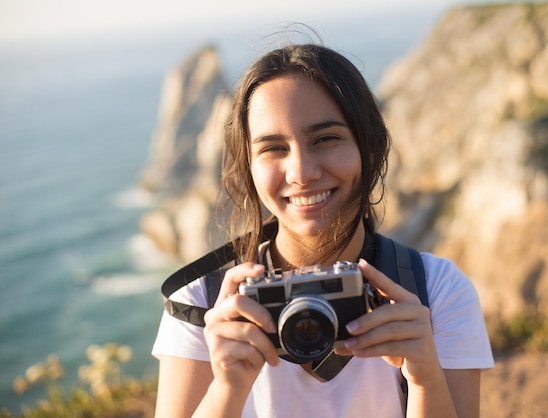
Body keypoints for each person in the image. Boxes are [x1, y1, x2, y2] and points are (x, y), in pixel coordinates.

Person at [152, 42, 494, 418]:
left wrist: (425, 379)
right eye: (273, 148)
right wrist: (227, 391)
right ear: (247, 166)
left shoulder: (437, 292)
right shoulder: (202, 303)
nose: (302, 172)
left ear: (370, 146)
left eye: (326, 139)